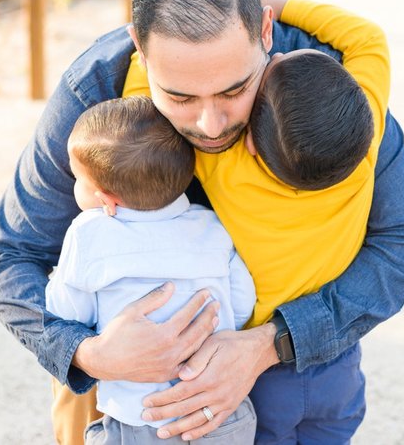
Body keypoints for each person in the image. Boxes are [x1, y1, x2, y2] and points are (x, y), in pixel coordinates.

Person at [0, 0, 404, 445]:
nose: (210, 124)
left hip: (285, 362)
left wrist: (271, 344)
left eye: (234, 90)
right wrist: (89, 355)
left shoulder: (319, 89)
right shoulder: (97, 91)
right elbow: (11, 256)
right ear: (140, 48)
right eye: (178, 96)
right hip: (115, 375)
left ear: (265, 31)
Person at [123, 0, 387, 442]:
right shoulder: (366, 138)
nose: (277, 54)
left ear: (249, 142)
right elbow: (367, 37)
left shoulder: (224, 163)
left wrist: (147, 49)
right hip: (336, 367)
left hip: (265, 375)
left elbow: (140, 107)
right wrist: (279, 7)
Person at [45, 96, 257, 444]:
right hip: (219, 411)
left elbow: (66, 313)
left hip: (143, 420)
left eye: (76, 179)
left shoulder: (89, 232)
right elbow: (242, 301)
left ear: (105, 199)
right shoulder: (213, 226)